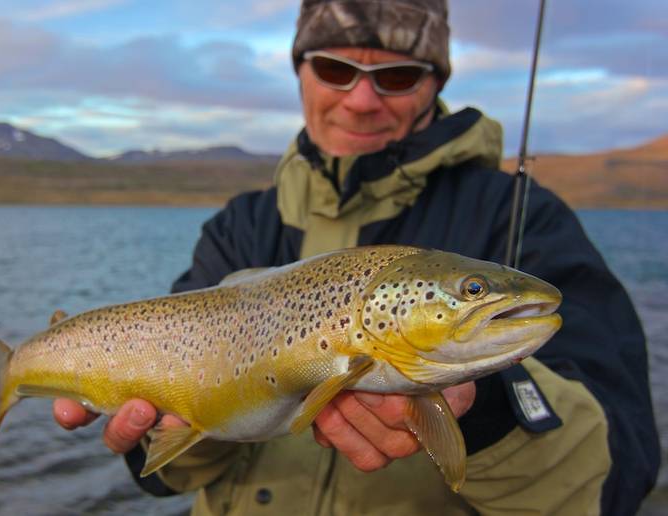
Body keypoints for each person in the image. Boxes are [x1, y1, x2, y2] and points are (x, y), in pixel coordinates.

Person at [54, 0, 660, 514]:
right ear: (301, 73)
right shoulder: (242, 225)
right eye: (334, 68)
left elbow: (620, 478)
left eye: (396, 77)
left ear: (434, 83)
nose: (362, 99)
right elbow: (164, 477)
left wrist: (486, 410)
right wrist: (171, 430)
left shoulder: (521, 216)